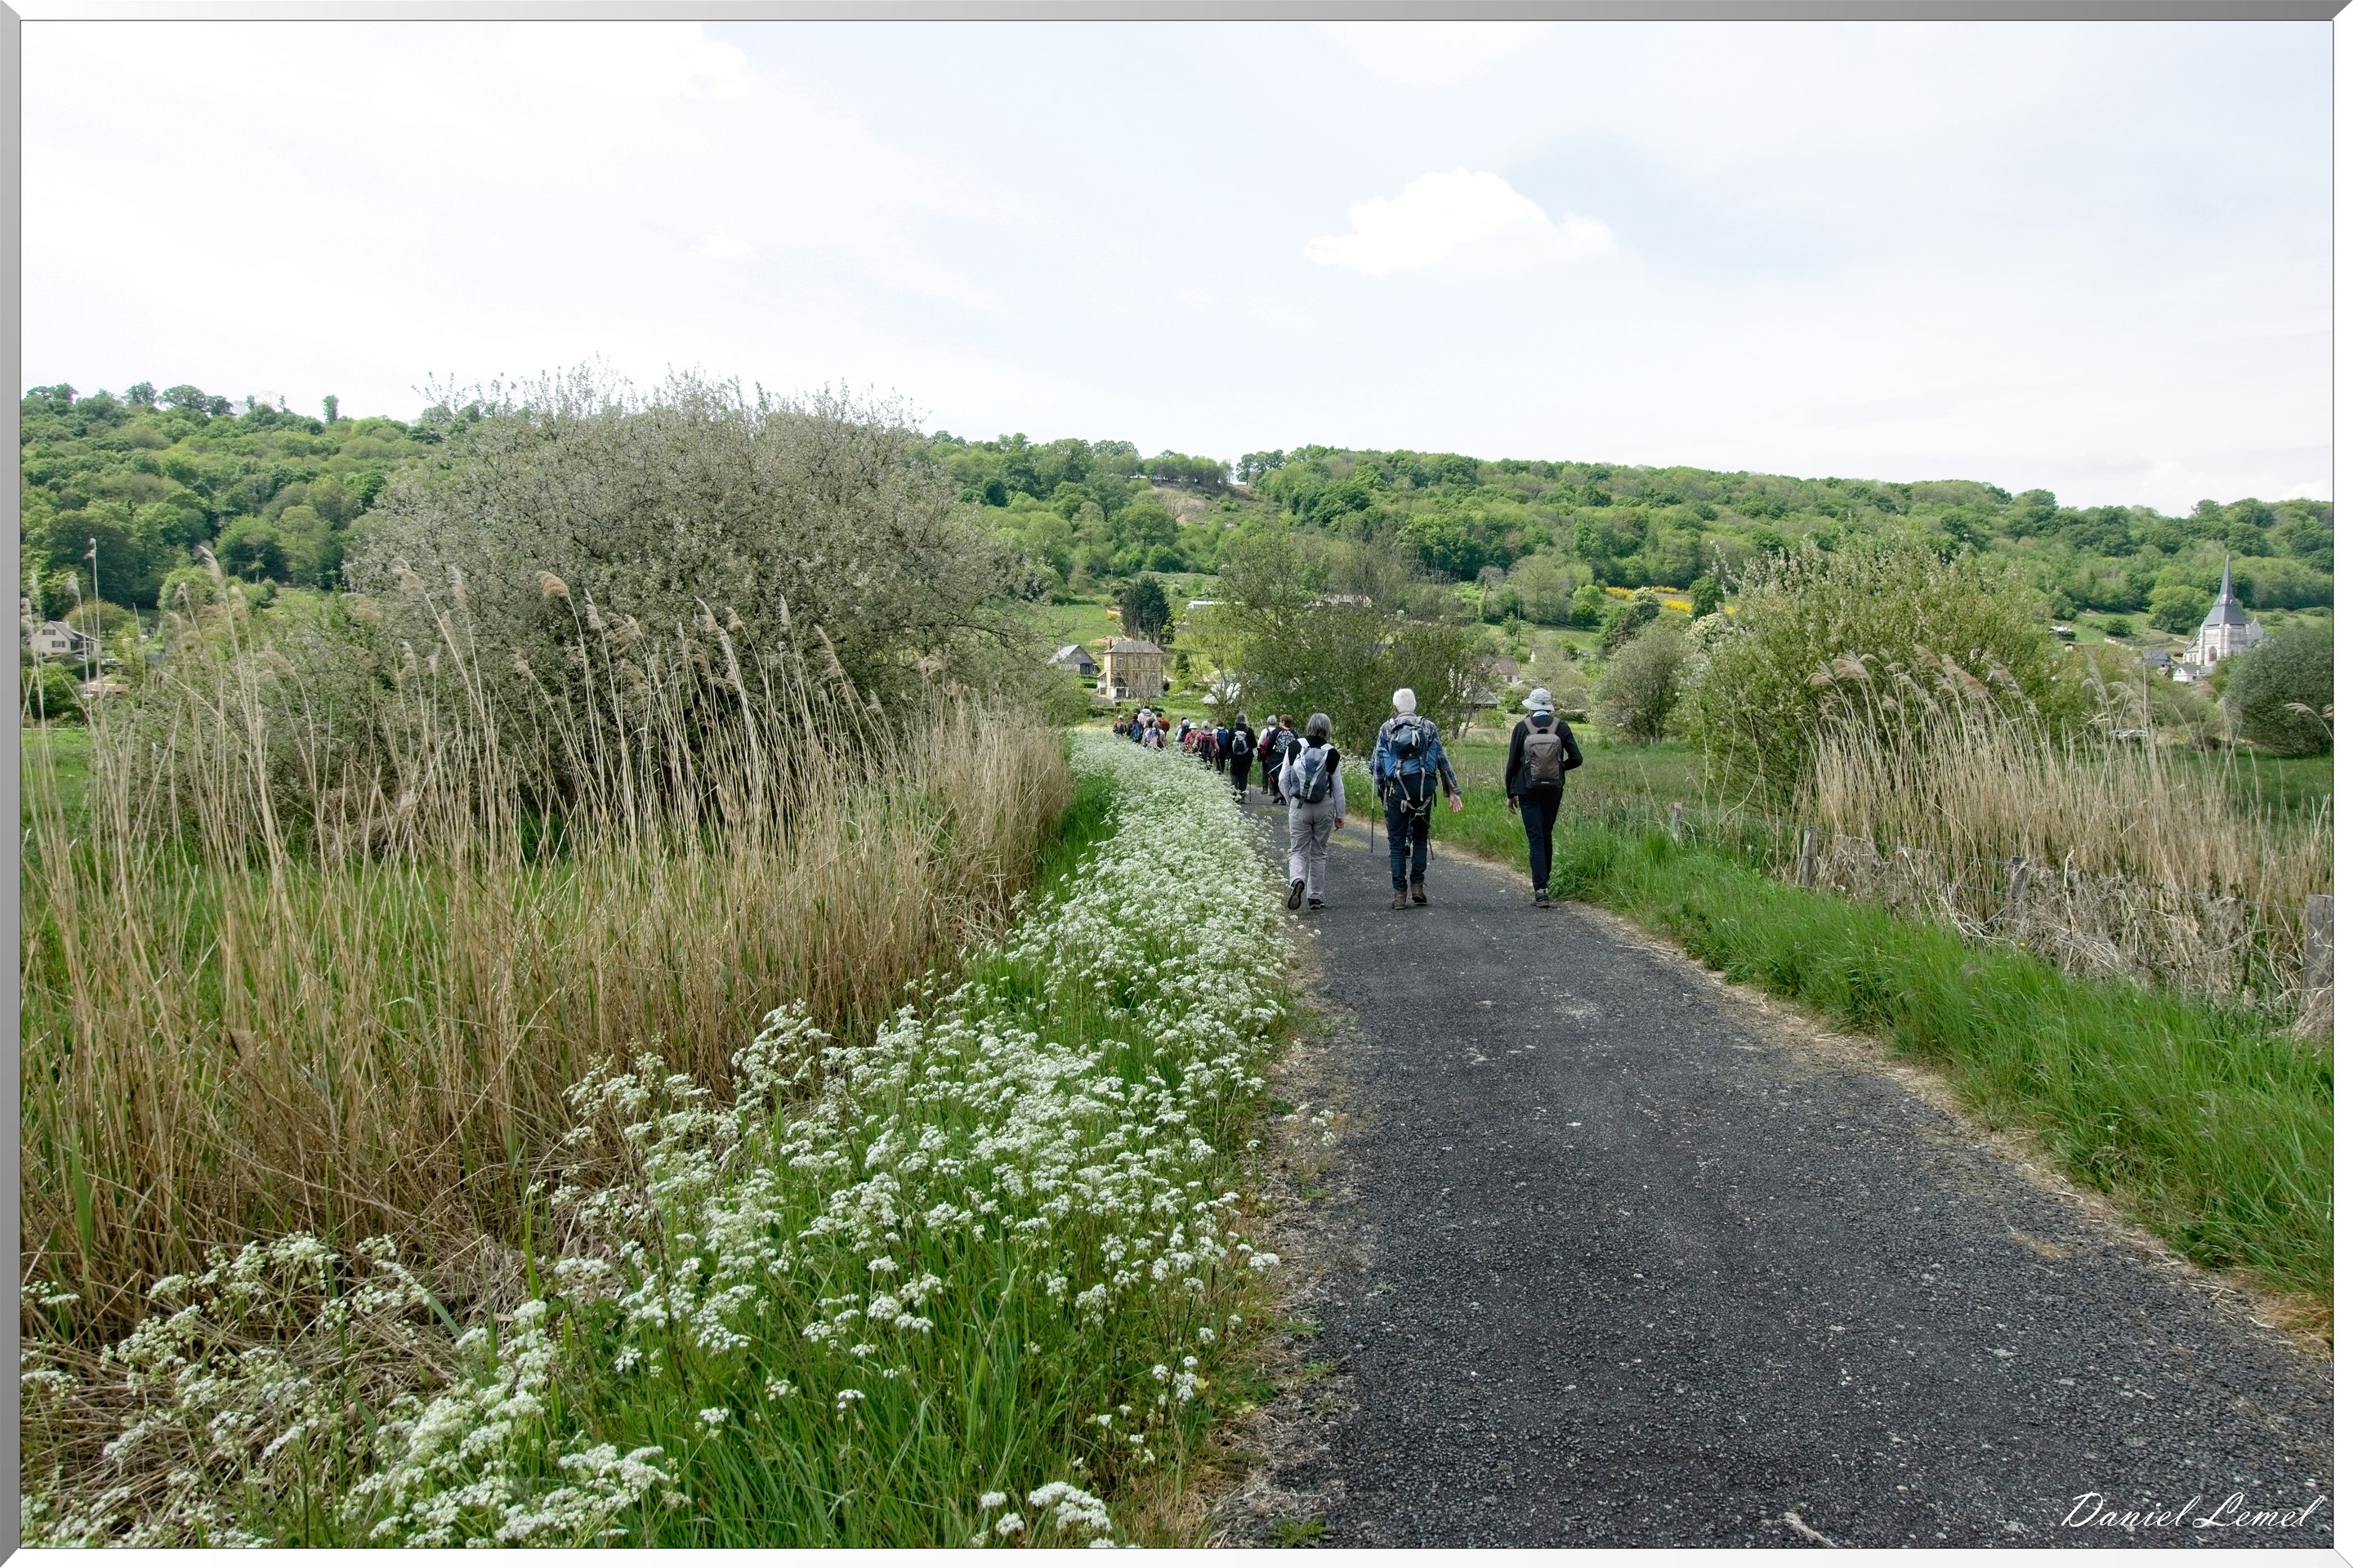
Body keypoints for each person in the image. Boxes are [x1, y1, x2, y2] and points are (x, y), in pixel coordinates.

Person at [1372, 686, 1462, 909]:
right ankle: (1418, 888)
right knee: (1420, 838)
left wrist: (1383, 792)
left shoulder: (1387, 728)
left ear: (1394, 708)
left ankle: (1400, 895)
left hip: (1397, 792)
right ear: (1415, 706)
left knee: (1396, 842)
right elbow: (1441, 758)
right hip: (1424, 791)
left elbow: (1377, 767)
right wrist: (1453, 791)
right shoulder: (1428, 726)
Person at [1504, 686, 1582, 907]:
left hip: (1526, 789)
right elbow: (1577, 758)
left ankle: (1540, 890)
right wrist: (1559, 769)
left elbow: (1512, 764)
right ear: (1548, 707)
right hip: (1553, 790)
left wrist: (1510, 793)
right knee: (1546, 833)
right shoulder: (1562, 727)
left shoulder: (1521, 728)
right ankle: (1545, 885)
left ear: (1531, 708)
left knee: (1535, 838)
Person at [1280, 712, 1346, 910]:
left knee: (1298, 850)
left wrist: (1291, 800)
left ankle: (1297, 880)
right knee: (1319, 851)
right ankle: (1315, 897)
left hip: (1299, 805)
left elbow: (1284, 778)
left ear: (1309, 726)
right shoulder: (1332, 752)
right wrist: (1340, 814)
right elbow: (1338, 787)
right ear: (1328, 729)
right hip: (1324, 805)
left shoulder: (1295, 746)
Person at [1261, 713, 1296, 803]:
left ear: (1284, 722)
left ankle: (1277, 793)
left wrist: (1267, 755)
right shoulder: (1294, 733)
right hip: (1290, 758)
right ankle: (1284, 796)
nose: (1279, 723)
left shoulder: (1277, 731)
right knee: (1286, 777)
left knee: (1272, 773)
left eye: (1280, 721)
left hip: (1277, 757)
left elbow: (1270, 744)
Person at [1224, 713, 1256, 802]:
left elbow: (1227, 744)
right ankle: (1242, 796)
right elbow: (1254, 744)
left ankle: (1234, 795)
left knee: (1234, 774)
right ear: (1245, 721)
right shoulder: (1249, 730)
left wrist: (1228, 754)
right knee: (1244, 775)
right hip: (1246, 758)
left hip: (1234, 757)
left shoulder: (1232, 730)